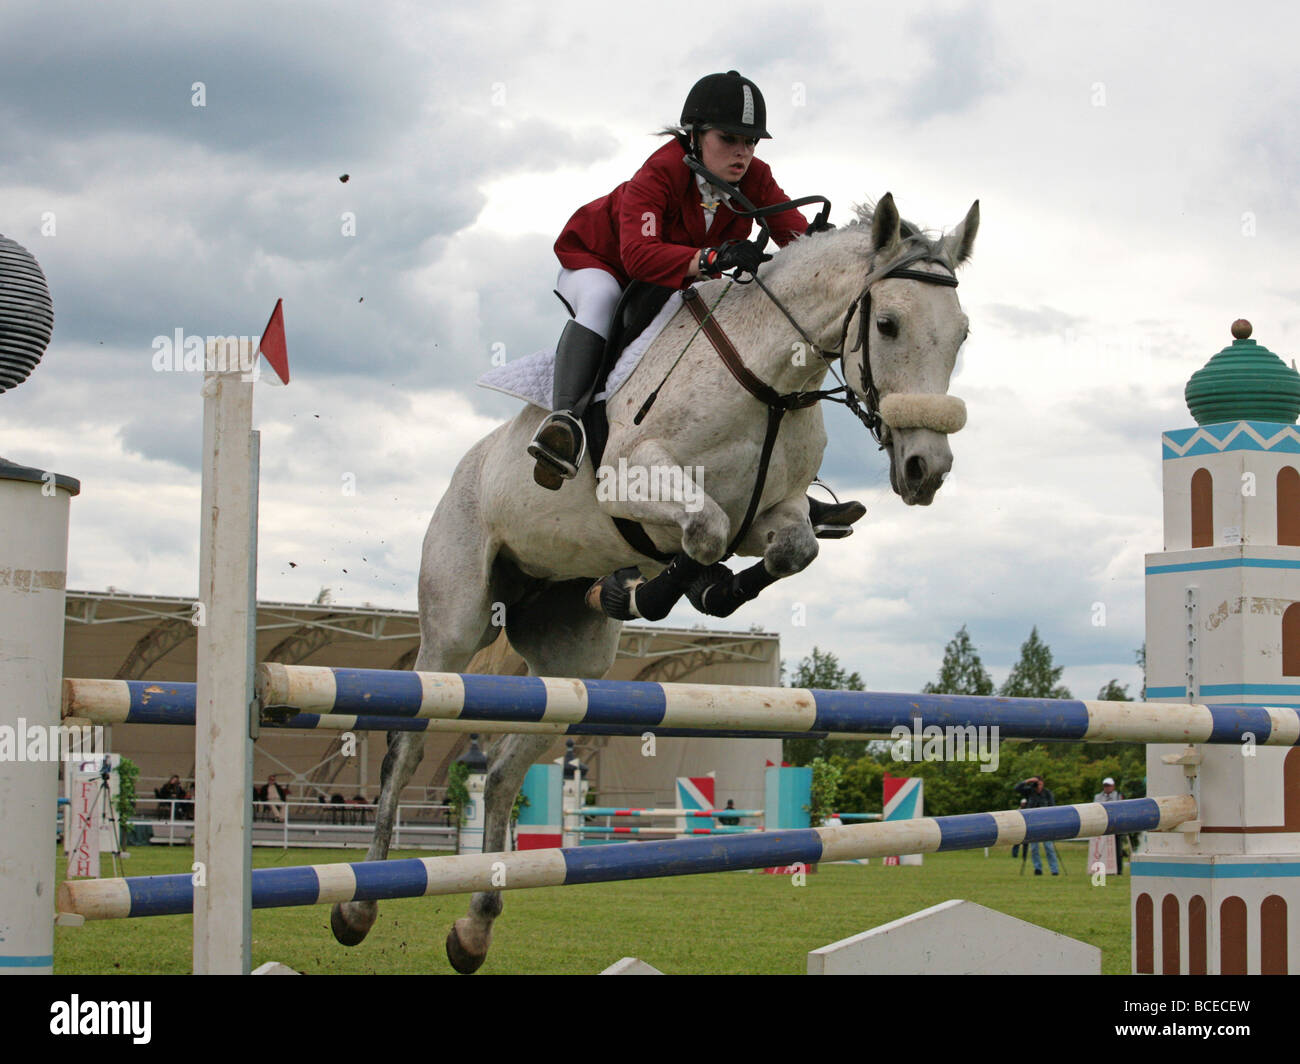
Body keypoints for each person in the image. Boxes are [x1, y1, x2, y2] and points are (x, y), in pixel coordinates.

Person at [529, 71, 864, 539]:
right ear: (695, 135)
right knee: (601, 301)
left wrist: (823, 248)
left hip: (672, 277)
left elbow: (793, 234)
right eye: (729, 139)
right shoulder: (660, 171)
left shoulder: (755, 177)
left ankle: (772, 486)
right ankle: (562, 425)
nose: (742, 153)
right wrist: (710, 257)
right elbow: (639, 256)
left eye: (750, 141)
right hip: (602, 260)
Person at [1013, 776, 1059, 876]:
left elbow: (1053, 807)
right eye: (1037, 784)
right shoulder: (1030, 791)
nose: (1038, 786)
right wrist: (1028, 781)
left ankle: (1054, 869)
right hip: (1033, 824)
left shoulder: (1047, 793)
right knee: (1034, 848)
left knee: (1049, 847)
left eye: (1039, 783)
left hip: (1046, 824)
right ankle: (1037, 868)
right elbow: (1016, 788)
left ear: (1043, 783)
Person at [1093, 776, 1125, 874]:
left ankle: (1118, 870)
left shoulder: (1118, 796)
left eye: (1109, 786)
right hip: (1103, 825)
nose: (1107, 788)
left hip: (1115, 825)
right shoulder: (1098, 797)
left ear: (1113, 786)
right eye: (1105, 786)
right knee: (1101, 848)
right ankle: (1102, 868)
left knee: (1117, 849)